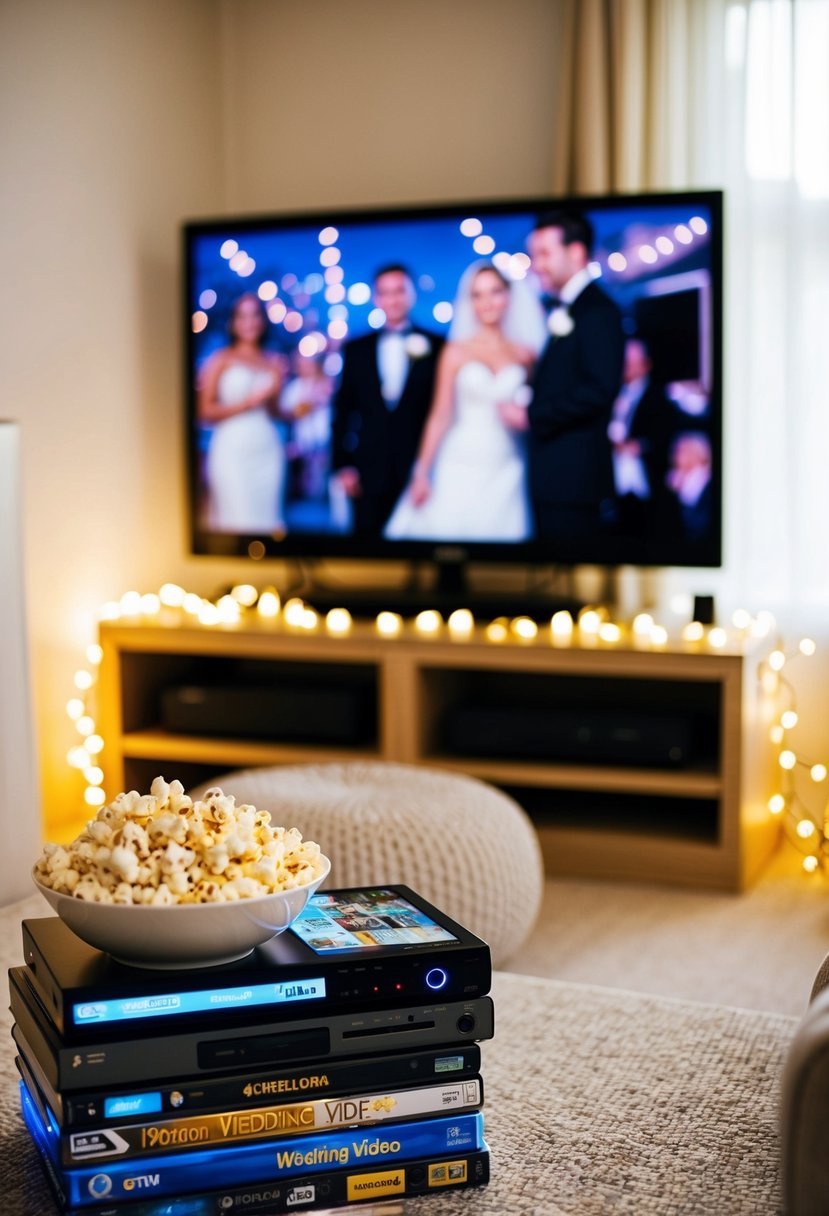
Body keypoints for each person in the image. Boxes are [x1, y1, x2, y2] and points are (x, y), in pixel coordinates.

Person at [384, 261, 546, 541]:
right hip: (459, 462)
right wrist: (421, 471)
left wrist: (524, 413)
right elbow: (440, 414)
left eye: (495, 291)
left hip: (509, 464)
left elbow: (538, 407)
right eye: (477, 294)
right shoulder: (456, 352)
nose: (487, 302)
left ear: (509, 295)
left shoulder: (525, 355)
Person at [501, 210, 625, 542]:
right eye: (532, 255)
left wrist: (531, 416)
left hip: (575, 481)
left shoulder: (598, 311)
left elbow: (600, 389)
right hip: (553, 479)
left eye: (544, 254)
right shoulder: (562, 309)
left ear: (577, 253)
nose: (536, 264)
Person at [330, 265, 443, 534]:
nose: (393, 299)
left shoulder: (438, 345)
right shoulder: (356, 349)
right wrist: (343, 465)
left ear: (412, 294)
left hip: (420, 469)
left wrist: (429, 468)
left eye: (399, 291)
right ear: (375, 298)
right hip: (367, 469)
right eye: (385, 292)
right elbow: (342, 411)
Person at [198, 293, 286, 534]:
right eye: (242, 316)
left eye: (255, 315)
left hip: (267, 449)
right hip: (232, 450)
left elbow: (275, 412)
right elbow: (204, 410)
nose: (249, 322)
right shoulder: (221, 360)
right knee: (237, 522)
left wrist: (300, 407)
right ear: (233, 322)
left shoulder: (273, 362)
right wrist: (247, 403)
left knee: (268, 525)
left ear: (263, 320)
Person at [608, 336, 680, 536]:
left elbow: (664, 436)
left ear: (646, 364)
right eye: (625, 362)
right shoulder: (613, 395)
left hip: (647, 485)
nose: (627, 367)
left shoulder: (659, 398)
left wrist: (638, 446)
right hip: (615, 485)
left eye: (633, 362)